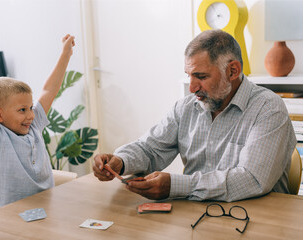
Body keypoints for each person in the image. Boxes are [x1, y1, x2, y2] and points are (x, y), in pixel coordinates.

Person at [93, 29, 296, 202]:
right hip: (196, 216)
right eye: (189, 75)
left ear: (233, 71)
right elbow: (150, 148)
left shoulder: (269, 108)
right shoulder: (187, 107)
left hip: (258, 220)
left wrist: (177, 186)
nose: (191, 88)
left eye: (201, 76)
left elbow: (252, 179)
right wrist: (121, 160)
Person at [0, 27, 75, 208]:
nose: (31, 115)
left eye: (30, 108)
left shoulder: (34, 126)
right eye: (22, 110)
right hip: (11, 216)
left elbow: (49, 90)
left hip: (47, 208)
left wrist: (65, 54)